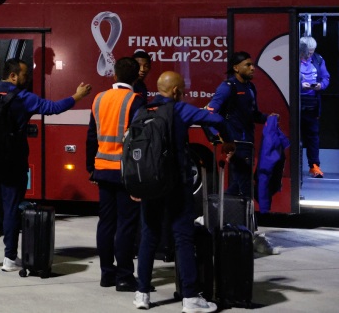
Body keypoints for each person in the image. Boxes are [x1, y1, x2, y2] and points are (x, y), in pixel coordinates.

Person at [0, 58, 92, 271]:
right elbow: (52, 108)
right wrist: (77, 96)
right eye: (25, 75)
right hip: (12, 162)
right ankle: (9, 258)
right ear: (13, 76)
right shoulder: (22, 97)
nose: (28, 78)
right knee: (11, 208)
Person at [133, 71, 231, 312]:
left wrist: (137, 184)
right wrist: (228, 141)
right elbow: (216, 120)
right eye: (182, 91)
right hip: (177, 184)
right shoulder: (179, 109)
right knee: (182, 238)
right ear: (176, 91)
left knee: (149, 237)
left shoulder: (141, 111)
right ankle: (190, 298)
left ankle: (142, 295)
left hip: (149, 184)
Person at [206, 51, 280, 255]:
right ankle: (251, 236)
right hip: (237, 144)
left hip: (247, 142)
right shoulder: (227, 87)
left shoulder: (250, 87)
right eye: (248, 65)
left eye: (252, 64)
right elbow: (211, 112)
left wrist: (267, 118)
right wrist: (219, 137)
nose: (253, 68)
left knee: (237, 186)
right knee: (246, 190)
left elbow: (252, 114)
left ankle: (208, 216)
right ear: (236, 68)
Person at [86, 57, 146, 292]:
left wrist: (91, 167)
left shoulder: (99, 99)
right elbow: (139, 140)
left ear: (114, 76)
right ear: (135, 78)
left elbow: (91, 135)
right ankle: (124, 276)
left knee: (106, 223)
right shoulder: (136, 101)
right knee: (126, 224)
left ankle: (106, 274)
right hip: (125, 172)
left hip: (102, 169)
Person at [299, 36, 330, 178]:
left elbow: (326, 77)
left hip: (312, 105)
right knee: (293, 137)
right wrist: (299, 85)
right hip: (295, 104)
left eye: (312, 52)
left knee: (313, 137)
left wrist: (320, 86)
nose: (309, 54)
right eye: (307, 52)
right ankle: (292, 168)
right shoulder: (292, 58)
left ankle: (314, 166)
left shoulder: (318, 59)